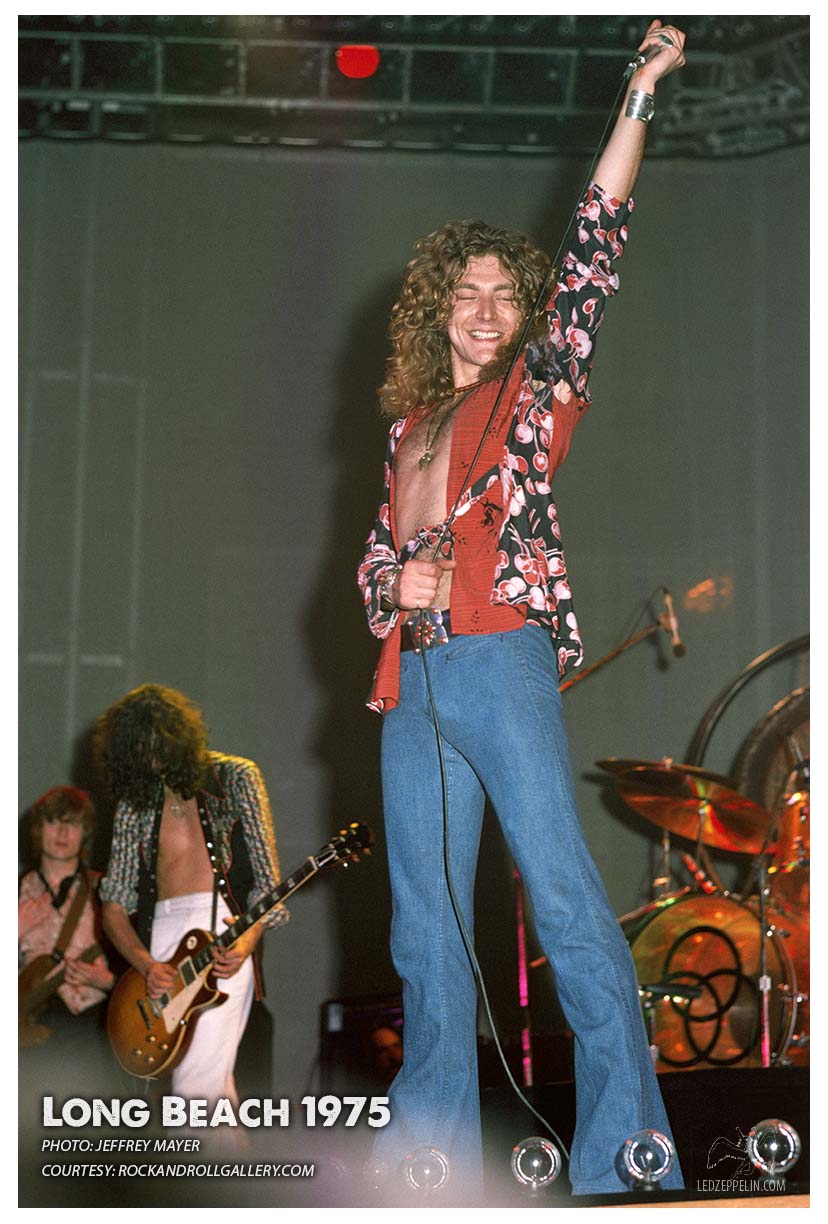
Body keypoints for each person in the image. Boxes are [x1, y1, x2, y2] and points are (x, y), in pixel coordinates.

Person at [357, 21, 687, 1200]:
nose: (489, 309)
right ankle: (427, 1164)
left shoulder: (533, 394)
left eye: (507, 293)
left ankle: (626, 1154)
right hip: (413, 684)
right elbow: (374, 560)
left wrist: (638, 97)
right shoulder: (407, 430)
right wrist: (390, 585)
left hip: (502, 661)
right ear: (437, 310)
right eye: (470, 293)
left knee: (563, 900)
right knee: (425, 934)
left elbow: (595, 244)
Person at [96, 683, 287, 1105]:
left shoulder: (236, 777)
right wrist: (146, 965)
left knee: (195, 1087)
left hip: (223, 934)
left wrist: (244, 944)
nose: (151, 758)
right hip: (160, 941)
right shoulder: (135, 803)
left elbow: (267, 884)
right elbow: (113, 906)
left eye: (157, 744)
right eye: (139, 749)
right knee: (206, 1089)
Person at [18, 786, 115, 1094]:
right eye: (53, 821)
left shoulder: (109, 892)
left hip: (89, 1026)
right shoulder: (15, 891)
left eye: (72, 823)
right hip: (28, 1031)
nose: (62, 832)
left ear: (84, 832)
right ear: (38, 829)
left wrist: (106, 981)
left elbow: (140, 967)